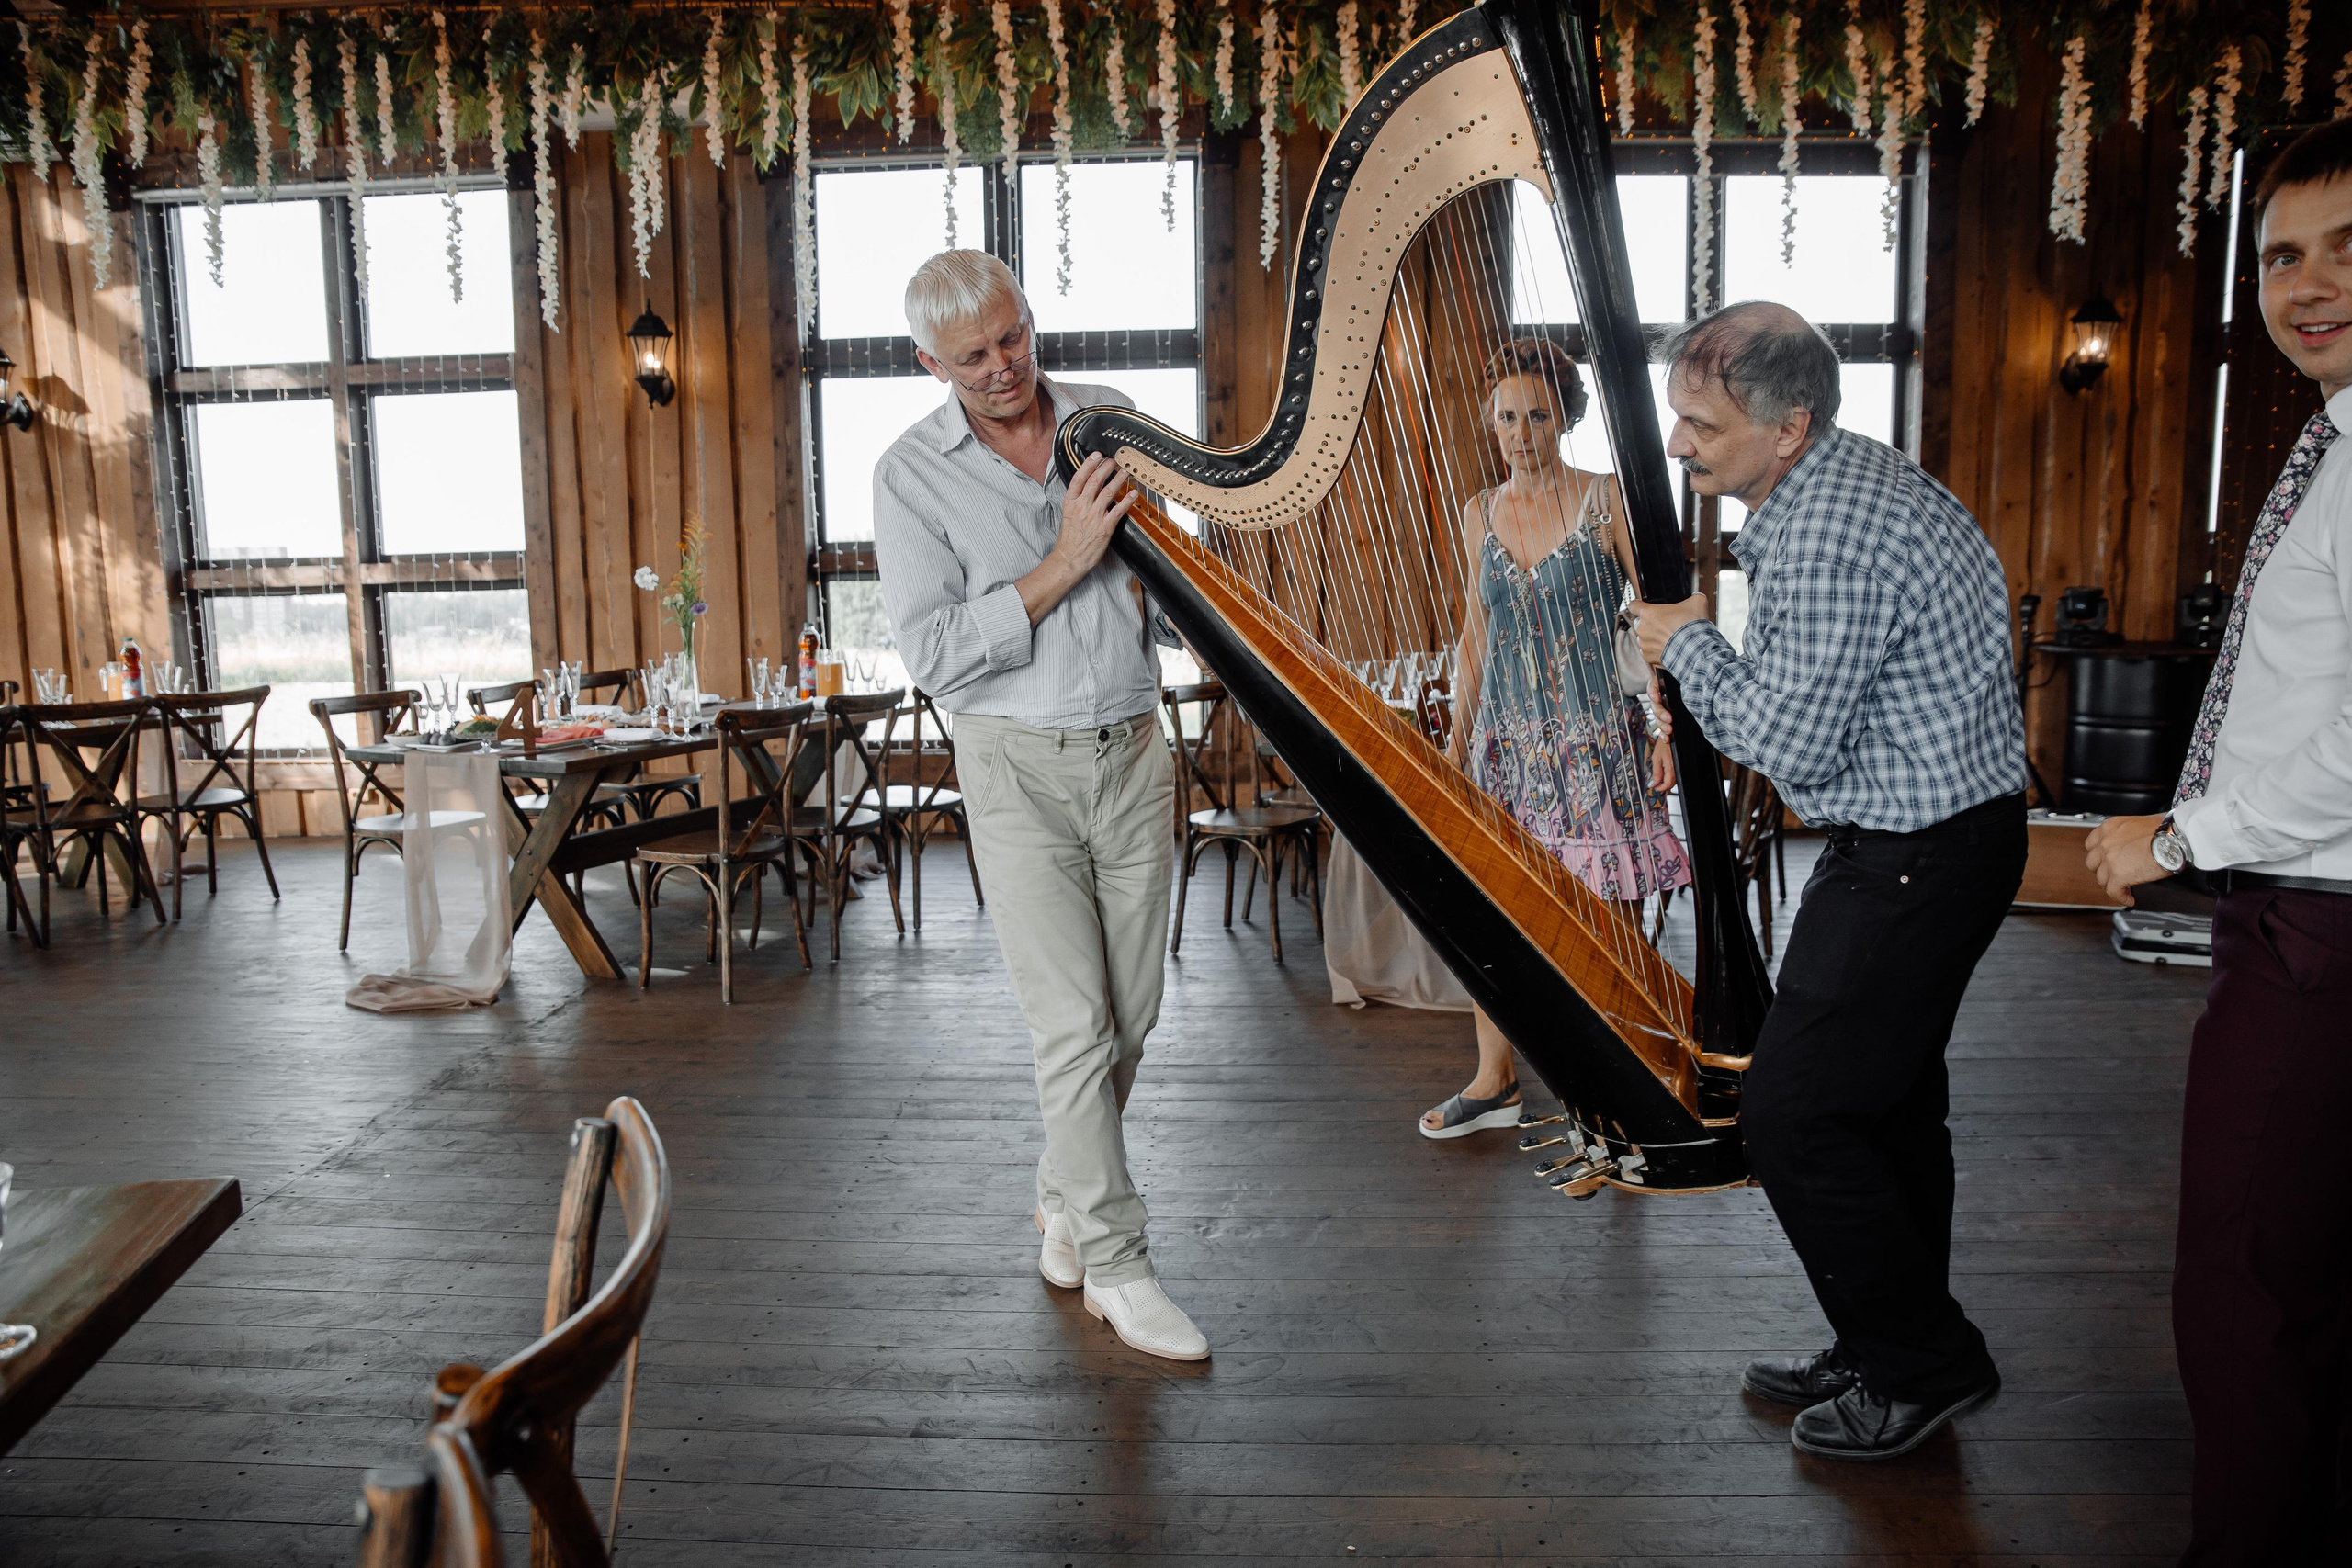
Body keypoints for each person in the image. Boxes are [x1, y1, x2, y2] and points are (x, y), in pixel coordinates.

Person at [1628, 300, 2028, 1460]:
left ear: (1787, 425)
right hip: (1938, 836)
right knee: (1889, 1108)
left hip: (1918, 853)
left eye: (1698, 424)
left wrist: (1685, 640)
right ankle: (1886, 1338)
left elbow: (1789, 748)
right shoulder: (1842, 481)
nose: (1676, 445)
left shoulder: (1824, 532)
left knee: (1793, 1114)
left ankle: (1919, 1361)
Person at [2085, 119, 2352, 1565]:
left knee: (2243, 1283)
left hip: (2320, 925)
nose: (2308, 285)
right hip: (2307, 913)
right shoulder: (2337, 435)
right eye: (2282, 256)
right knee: (2300, 1270)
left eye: (2347, 246)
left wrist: (2184, 832)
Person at [871, 250, 1205, 1362]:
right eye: (973, 357)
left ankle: (1065, 1191)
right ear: (930, 364)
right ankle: (1115, 1260)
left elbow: (1160, 573)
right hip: (1013, 765)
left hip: (1131, 747)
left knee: (1134, 1014)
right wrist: (1065, 559)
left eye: (1013, 337)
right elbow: (936, 658)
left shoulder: (1105, 417)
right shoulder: (910, 475)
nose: (1005, 366)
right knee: (1072, 1027)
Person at [1420, 338, 1690, 1139]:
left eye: (1537, 414)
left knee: (1607, 918)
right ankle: (1495, 1079)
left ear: (1565, 418)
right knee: (1493, 909)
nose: (1520, 431)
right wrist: (1453, 746)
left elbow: (1654, 624)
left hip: (1597, 743)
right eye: (1506, 416)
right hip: (1507, 748)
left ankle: (1627, 1082)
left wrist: (1665, 726)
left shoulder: (1606, 498)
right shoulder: (1479, 512)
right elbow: (1475, 638)